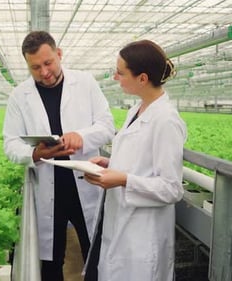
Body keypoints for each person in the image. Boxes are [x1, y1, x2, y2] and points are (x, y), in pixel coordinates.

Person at [2, 31, 115, 281]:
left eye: (48, 63)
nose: (44, 72)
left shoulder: (85, 83)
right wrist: (34, 153)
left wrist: (81, 136)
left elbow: (107, 126)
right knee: (51, 263)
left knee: (94, 252)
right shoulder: (19, 96)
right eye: (35, 67)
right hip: (47, 189)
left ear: (59, 54)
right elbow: (10, 143)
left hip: (86, 184)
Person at [82, 40, 187, 281]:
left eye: (120, 72)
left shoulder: (166, 120)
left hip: (143, 236)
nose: (115, 77)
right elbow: (141, 160)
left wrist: (123, 179)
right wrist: (111, 165)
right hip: (122, 227)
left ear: (142, 78)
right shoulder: (137, 110)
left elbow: (172, 188)